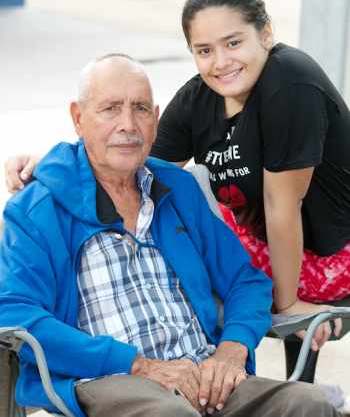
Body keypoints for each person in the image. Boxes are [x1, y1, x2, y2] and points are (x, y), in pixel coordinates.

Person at [5, 0, 350, 355]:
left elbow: (281, 204)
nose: (221, 62)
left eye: (233, 43)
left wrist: (286, 307)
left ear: (265, 34)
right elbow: (127, 161)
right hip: (266, 242)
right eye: (204, 50)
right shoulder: (200, 98)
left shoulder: (290, 82)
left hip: (332, 252)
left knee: (199, 260)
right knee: (157, 222)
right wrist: (55, 164)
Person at [0, 54, 339, 417]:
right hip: (111, 380)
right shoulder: (38, 208)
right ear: (78, 118)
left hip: (204, 375)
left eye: (141, 109)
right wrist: (138, 365)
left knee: (309, 404)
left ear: (156, 118)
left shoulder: (176, 188)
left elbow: (246, 280)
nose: (127, 124)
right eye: (111, 109)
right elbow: (14, 311)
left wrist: (232, 350)